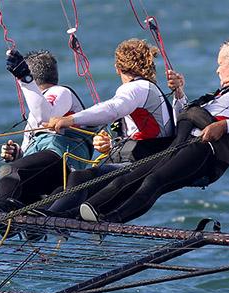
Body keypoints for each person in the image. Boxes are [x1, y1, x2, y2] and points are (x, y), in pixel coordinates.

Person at [63, 37, 229, 224]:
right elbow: (183, 118)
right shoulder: (223, 93)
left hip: (203, 150)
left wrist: (224, 126)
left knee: (155, 181)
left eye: (220, 64)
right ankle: (80, 213)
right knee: (133, 176)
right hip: (182, 144)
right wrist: (179, 94)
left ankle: (110, 220)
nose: (217, 70)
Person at [44, 38, 177, 216]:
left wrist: (69, 120)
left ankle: (49, 220)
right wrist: (109, 145)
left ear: (117, 67)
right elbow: (136, 133)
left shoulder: (138, 88)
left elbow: (114, 108)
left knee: (80, 178)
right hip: (136, 163)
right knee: (64, 187)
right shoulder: (147, 91)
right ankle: (38, 217)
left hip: (141, 166)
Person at [0, 49, 93, 211]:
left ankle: (3, 210)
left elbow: (46, 118)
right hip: (44, 176)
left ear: (31, 75)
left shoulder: (60, 92)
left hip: (65, 168)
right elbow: (31, 148)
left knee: (10, 170)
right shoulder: (37, 109)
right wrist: (17, 153)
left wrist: (24, 78)